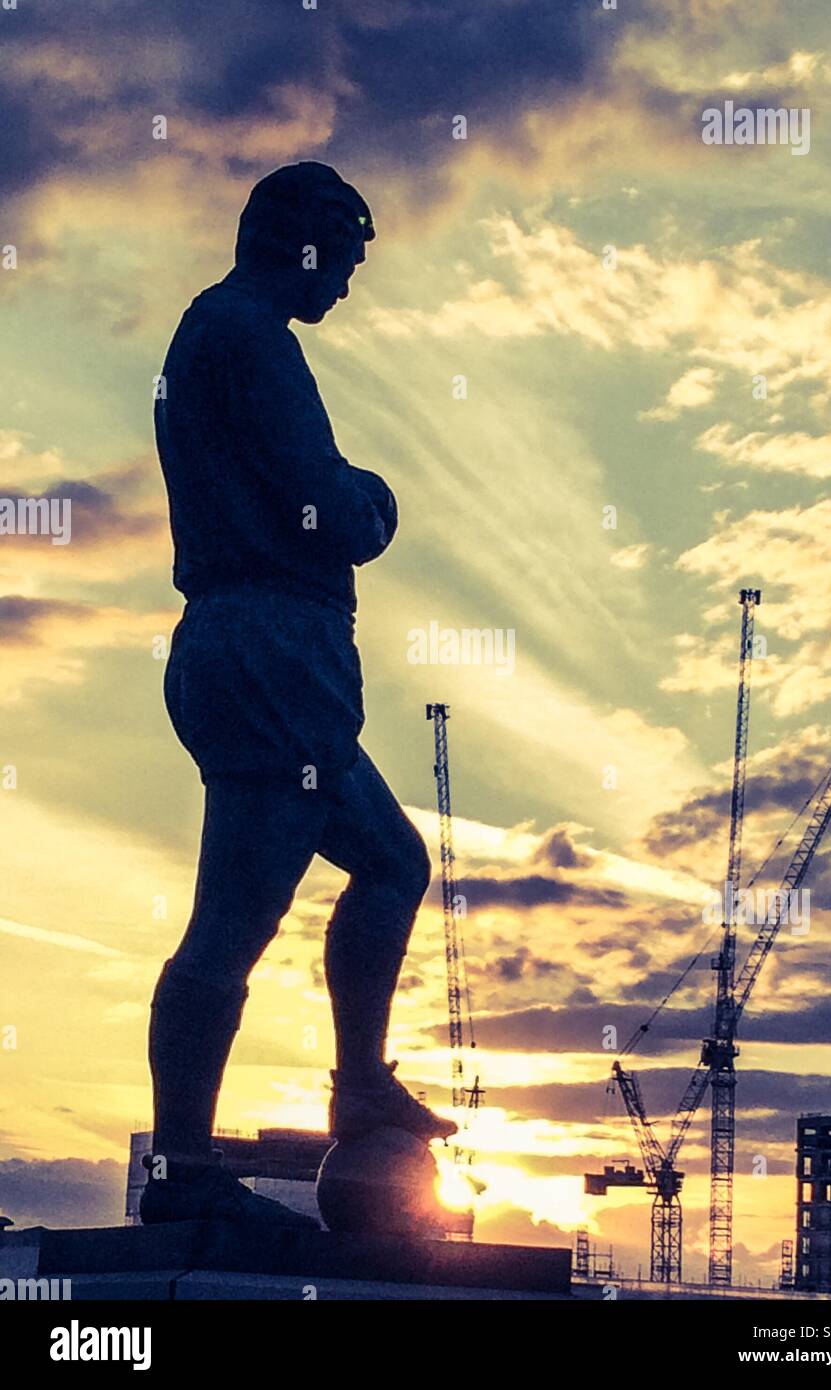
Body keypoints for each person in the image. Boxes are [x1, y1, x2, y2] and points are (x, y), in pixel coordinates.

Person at [141, 161, 456, 1228]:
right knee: (232, 918)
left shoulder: (215, 333)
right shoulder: (249, 337)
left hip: (259, 648)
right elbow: (324, 506)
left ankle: (355, 1080)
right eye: (349, 261)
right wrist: (376, 501)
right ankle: (182, 1168)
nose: (350, 288)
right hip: (272, 645)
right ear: (306, 243)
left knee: (390, 860)